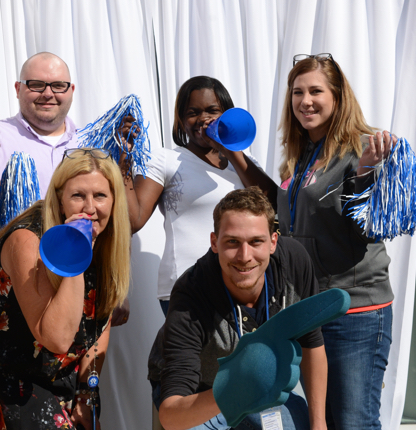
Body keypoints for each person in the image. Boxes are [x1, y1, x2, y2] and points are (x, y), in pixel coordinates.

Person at [0, 148, 130, 429]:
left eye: (100, 196)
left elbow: (100, 321)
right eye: (78, 195)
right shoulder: (27, 240)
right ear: (59, 199)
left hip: (54, 381)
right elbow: (55, 337)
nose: (89, 208)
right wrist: (73, 255)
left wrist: (87, 391)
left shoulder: (107, 241)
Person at [277, 53, 396, 429]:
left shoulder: (363, 150)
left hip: (355, 314)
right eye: (297, 92)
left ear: (338, 96)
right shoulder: (301, 155)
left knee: (353, 421)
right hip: (313, 311)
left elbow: (373, 227)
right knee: (323, 421)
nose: (305, 100)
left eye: (315, 91)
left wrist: (365, 178)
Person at [148, 187, 327, 430]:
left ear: (273, 242)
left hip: (262, 387)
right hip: (200, 393)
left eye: (256, 242)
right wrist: (234, 390)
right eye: (232, 242)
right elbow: (171, 415)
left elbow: (312, 342)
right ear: (214, 242)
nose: (244, 256)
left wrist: (319, 425)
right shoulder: (190, 293)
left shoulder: (295, 262)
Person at [122, 76, 276, 314]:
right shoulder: (166, 160)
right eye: (192, 112)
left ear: (226, 113)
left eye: (212, 111)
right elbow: (133, 220)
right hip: (187, 288)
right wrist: (124, 162)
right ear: (182, 121)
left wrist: (230, 150)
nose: (203, 119)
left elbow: (274, 205)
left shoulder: (244, 163)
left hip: (242, 285)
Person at [0, 52, 78, 218]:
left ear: (71, 90)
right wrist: (2, 190)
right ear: (18, 89)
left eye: (58, 85)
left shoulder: (89, 142)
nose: (48, 94)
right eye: (36, 84)